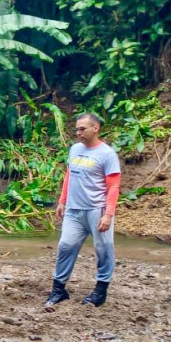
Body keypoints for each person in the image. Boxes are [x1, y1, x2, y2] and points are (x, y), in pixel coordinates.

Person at [45, 113, 121, 308]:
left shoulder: (107, 154)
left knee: (103, 249)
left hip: (97, 209)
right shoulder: (75, 149)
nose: (78, 133)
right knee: (65, 246)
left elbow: (113, 186)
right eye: (77, 129)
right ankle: (58, 289)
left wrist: (108, 214)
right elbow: (69, 175)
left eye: (83, 129)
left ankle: (101, 290)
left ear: (95, 128)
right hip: (74, 209)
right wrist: (62, 201)